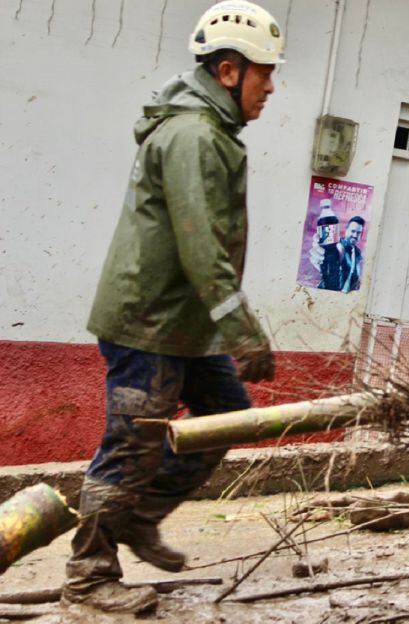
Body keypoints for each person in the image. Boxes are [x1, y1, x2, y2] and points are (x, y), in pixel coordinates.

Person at [62, 0, 284, 613]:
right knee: (131, 447)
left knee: (225, 416)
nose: (271, 88)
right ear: (229, 71)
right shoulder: (192, 135)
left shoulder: (210, 133)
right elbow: (200, 245)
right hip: (149, 326)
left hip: (179, 326)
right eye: (264, 74)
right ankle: (87, 581)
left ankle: (138, 516)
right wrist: (244, 332)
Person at [310, 214, 365, 292]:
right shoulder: (338, 245)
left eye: (359, 233)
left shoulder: (358, 253)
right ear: (346, 230)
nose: (355, 235)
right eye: (353, 231)